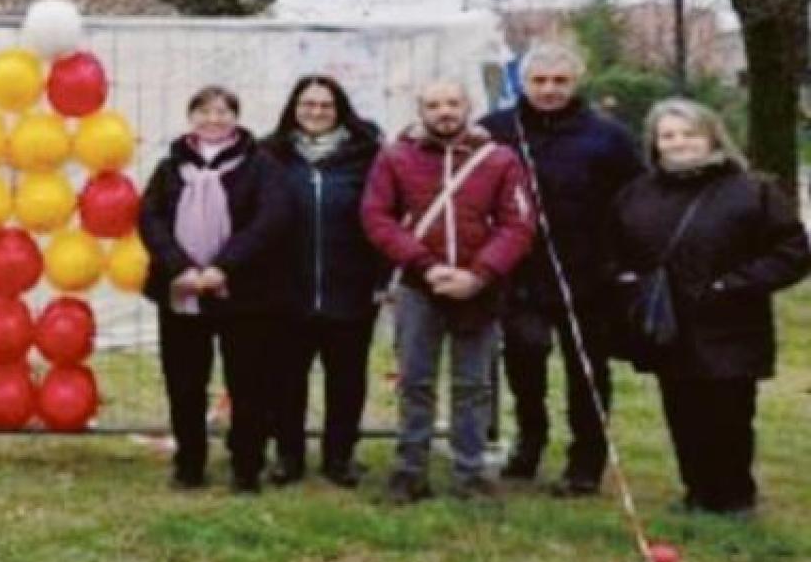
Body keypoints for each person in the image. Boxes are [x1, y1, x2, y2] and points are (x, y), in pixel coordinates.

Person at [608, 98, 809, 516]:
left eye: (689, 134)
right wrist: (627, 283)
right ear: (655, 143)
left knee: (730, 413)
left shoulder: (753, 191)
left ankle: (735, 495)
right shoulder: (636, 194)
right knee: (682, 411)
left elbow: (791, 252)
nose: (679, 143)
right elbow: (613, 252)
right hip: (668, 325)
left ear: (712, 136)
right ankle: (697, 491)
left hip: (732, 324)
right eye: (668, 136)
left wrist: (735, 285)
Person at [479, 44, 645, 496]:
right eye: (540, 81)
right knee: (524, 360)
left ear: (576, 82)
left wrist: (621, 262)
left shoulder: (608, 136)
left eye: (560, 81)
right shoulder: (495, 131)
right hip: (520, 273)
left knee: (588, 372)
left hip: (589, 275)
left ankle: (586, 461)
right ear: (524, 83)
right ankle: (529, 443)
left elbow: (636, 199)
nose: (549, 90)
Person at [361, 80, 535, 503]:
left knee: (474, 385)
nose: (444, 111)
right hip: (420, 285)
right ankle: (409, 470)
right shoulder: (395, 157)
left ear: (467, 106)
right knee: (415, 380)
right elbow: (377, 216)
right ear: (421, 109)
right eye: (434, 104)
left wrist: (479, 273)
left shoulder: (500, 159)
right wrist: (425, 264)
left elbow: (518, 223)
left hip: (478, 287)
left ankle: (471, 472)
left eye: (452, 103)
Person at [139, 85, 292, 494]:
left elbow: (271, 220)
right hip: (182, 293)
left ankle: (246, 465)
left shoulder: (262, 166)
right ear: (191, 118)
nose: (214, 119)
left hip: (244, 293)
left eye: (223, 111)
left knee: (248, 383)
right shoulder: (169, 168)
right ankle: (189, 463)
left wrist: (224, 268)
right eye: (204, 111)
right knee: (185, 382)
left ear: (236, 118)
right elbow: (150, 219)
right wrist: (180, 269)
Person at [261, 75, 383, 489]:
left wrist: (381, 277)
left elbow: (385, 218)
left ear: (340, 110)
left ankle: (340, 456)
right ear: (294, 109)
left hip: (350, 289)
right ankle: (288, 456)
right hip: (285, 292)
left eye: (325, 106)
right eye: (307, 104)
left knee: (347, 379)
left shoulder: (366, 156)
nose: (316, 113)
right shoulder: (269, 155)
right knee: (285, 379)